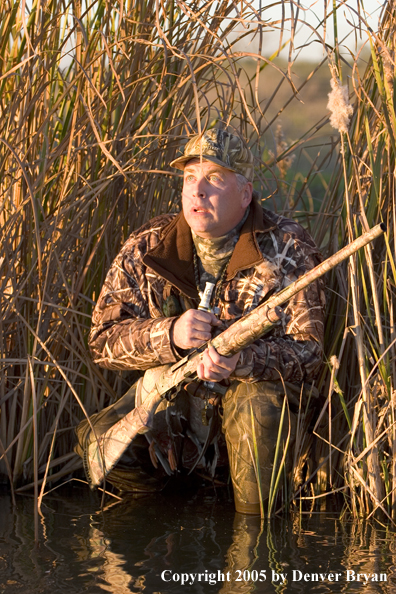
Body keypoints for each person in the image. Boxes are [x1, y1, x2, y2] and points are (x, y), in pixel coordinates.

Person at [75, 128, 325, 514]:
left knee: (256, 408)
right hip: (178, 401)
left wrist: (244, 361)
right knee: (98, 441)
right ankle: (163, 517)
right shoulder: (148, 244)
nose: (197, 191)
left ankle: (254, 539)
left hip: (251, 406)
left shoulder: (288, 247)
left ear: (245, 193)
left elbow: (309, 353)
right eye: (190, 178)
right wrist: (169, 334)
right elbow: (102, 341)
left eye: (214, 179)